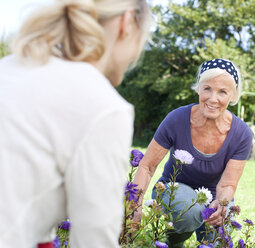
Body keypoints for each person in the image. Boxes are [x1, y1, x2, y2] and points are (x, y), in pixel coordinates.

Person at [0, 0, 152, 247]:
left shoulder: (8, 68)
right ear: (126, 22)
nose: (136, 56)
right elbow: (95, 240)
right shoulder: (104, 106)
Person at [133, 58, 252, 247]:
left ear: (233, 96)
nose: (213, 98)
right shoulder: (177, 119)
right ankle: (173, 239)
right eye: (207, 89)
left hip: (214, 198)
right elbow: (147, 166)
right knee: (188, 211)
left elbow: (228, 184)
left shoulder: (242, 134)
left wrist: (221, 205)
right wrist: (135, 207)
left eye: (222, 92)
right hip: (172, 191)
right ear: (198, 88)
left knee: (220, 242)